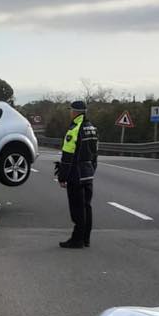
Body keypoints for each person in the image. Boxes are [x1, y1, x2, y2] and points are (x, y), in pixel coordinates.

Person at [56, 99, 99, 248]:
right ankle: (86, 238)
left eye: (70, 110)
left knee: (77, 209)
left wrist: (62, 176)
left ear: (74, 112)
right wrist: (92, 169)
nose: (70, 113)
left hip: (76, 174)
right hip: (88, 173)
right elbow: (95, 154)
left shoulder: (75, 128)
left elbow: (68, 156)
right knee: (87, 206)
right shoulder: (92, 128)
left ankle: (77, 240)